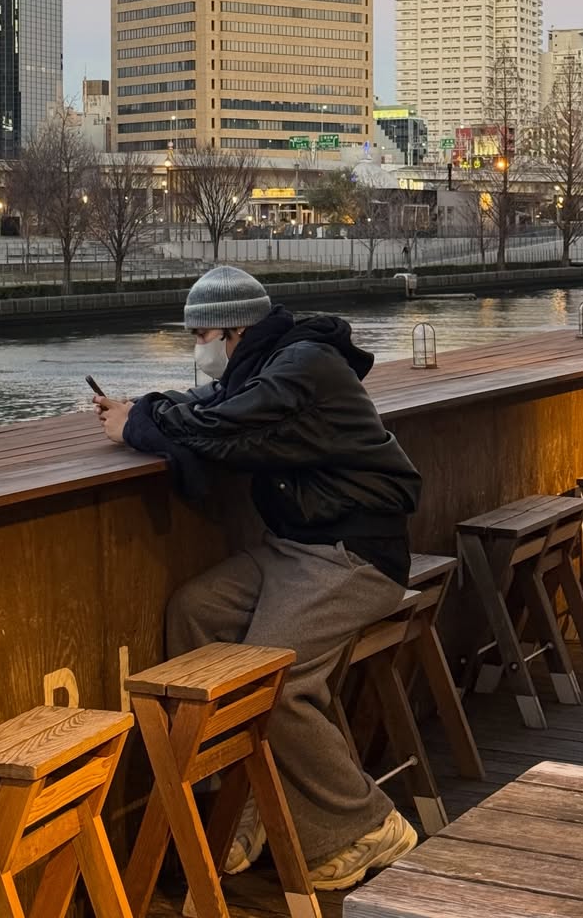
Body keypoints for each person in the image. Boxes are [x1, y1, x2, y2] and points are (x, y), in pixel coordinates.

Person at [95, 265, 422, 891]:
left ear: (234, 330)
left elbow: (219, 428)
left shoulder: (301, 366)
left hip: (353, 552)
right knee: (196, 610)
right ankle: (240, 806)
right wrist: (144, 409)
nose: (198, 348)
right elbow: (212, 408)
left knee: (274, 680)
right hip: (293, 547)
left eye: (200, 335)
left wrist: (137, 424)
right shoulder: (267, 367)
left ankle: (367, 825)